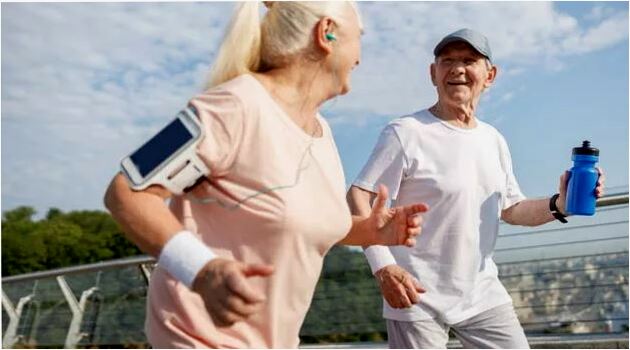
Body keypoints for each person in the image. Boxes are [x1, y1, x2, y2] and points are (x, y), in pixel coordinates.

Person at [104, 2, 429, 348]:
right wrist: (202, 271)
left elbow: (293, 221)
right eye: (358, 38)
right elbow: (126, 191)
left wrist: (368, 231)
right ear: (327, 33)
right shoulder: (231, 106)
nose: (360, 57)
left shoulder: (322, 132)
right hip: (197, 338)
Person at [347, 28, 606, 349]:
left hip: (481, 293)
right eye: (447, 61)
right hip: (415, 295)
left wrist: (561, 204)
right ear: (433, 73)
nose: (457, 68)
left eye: (469, 60)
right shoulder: (405, 132)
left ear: (490, 75)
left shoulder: (493, 140)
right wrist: (384, 267)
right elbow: (359, 196)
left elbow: (511, 209)